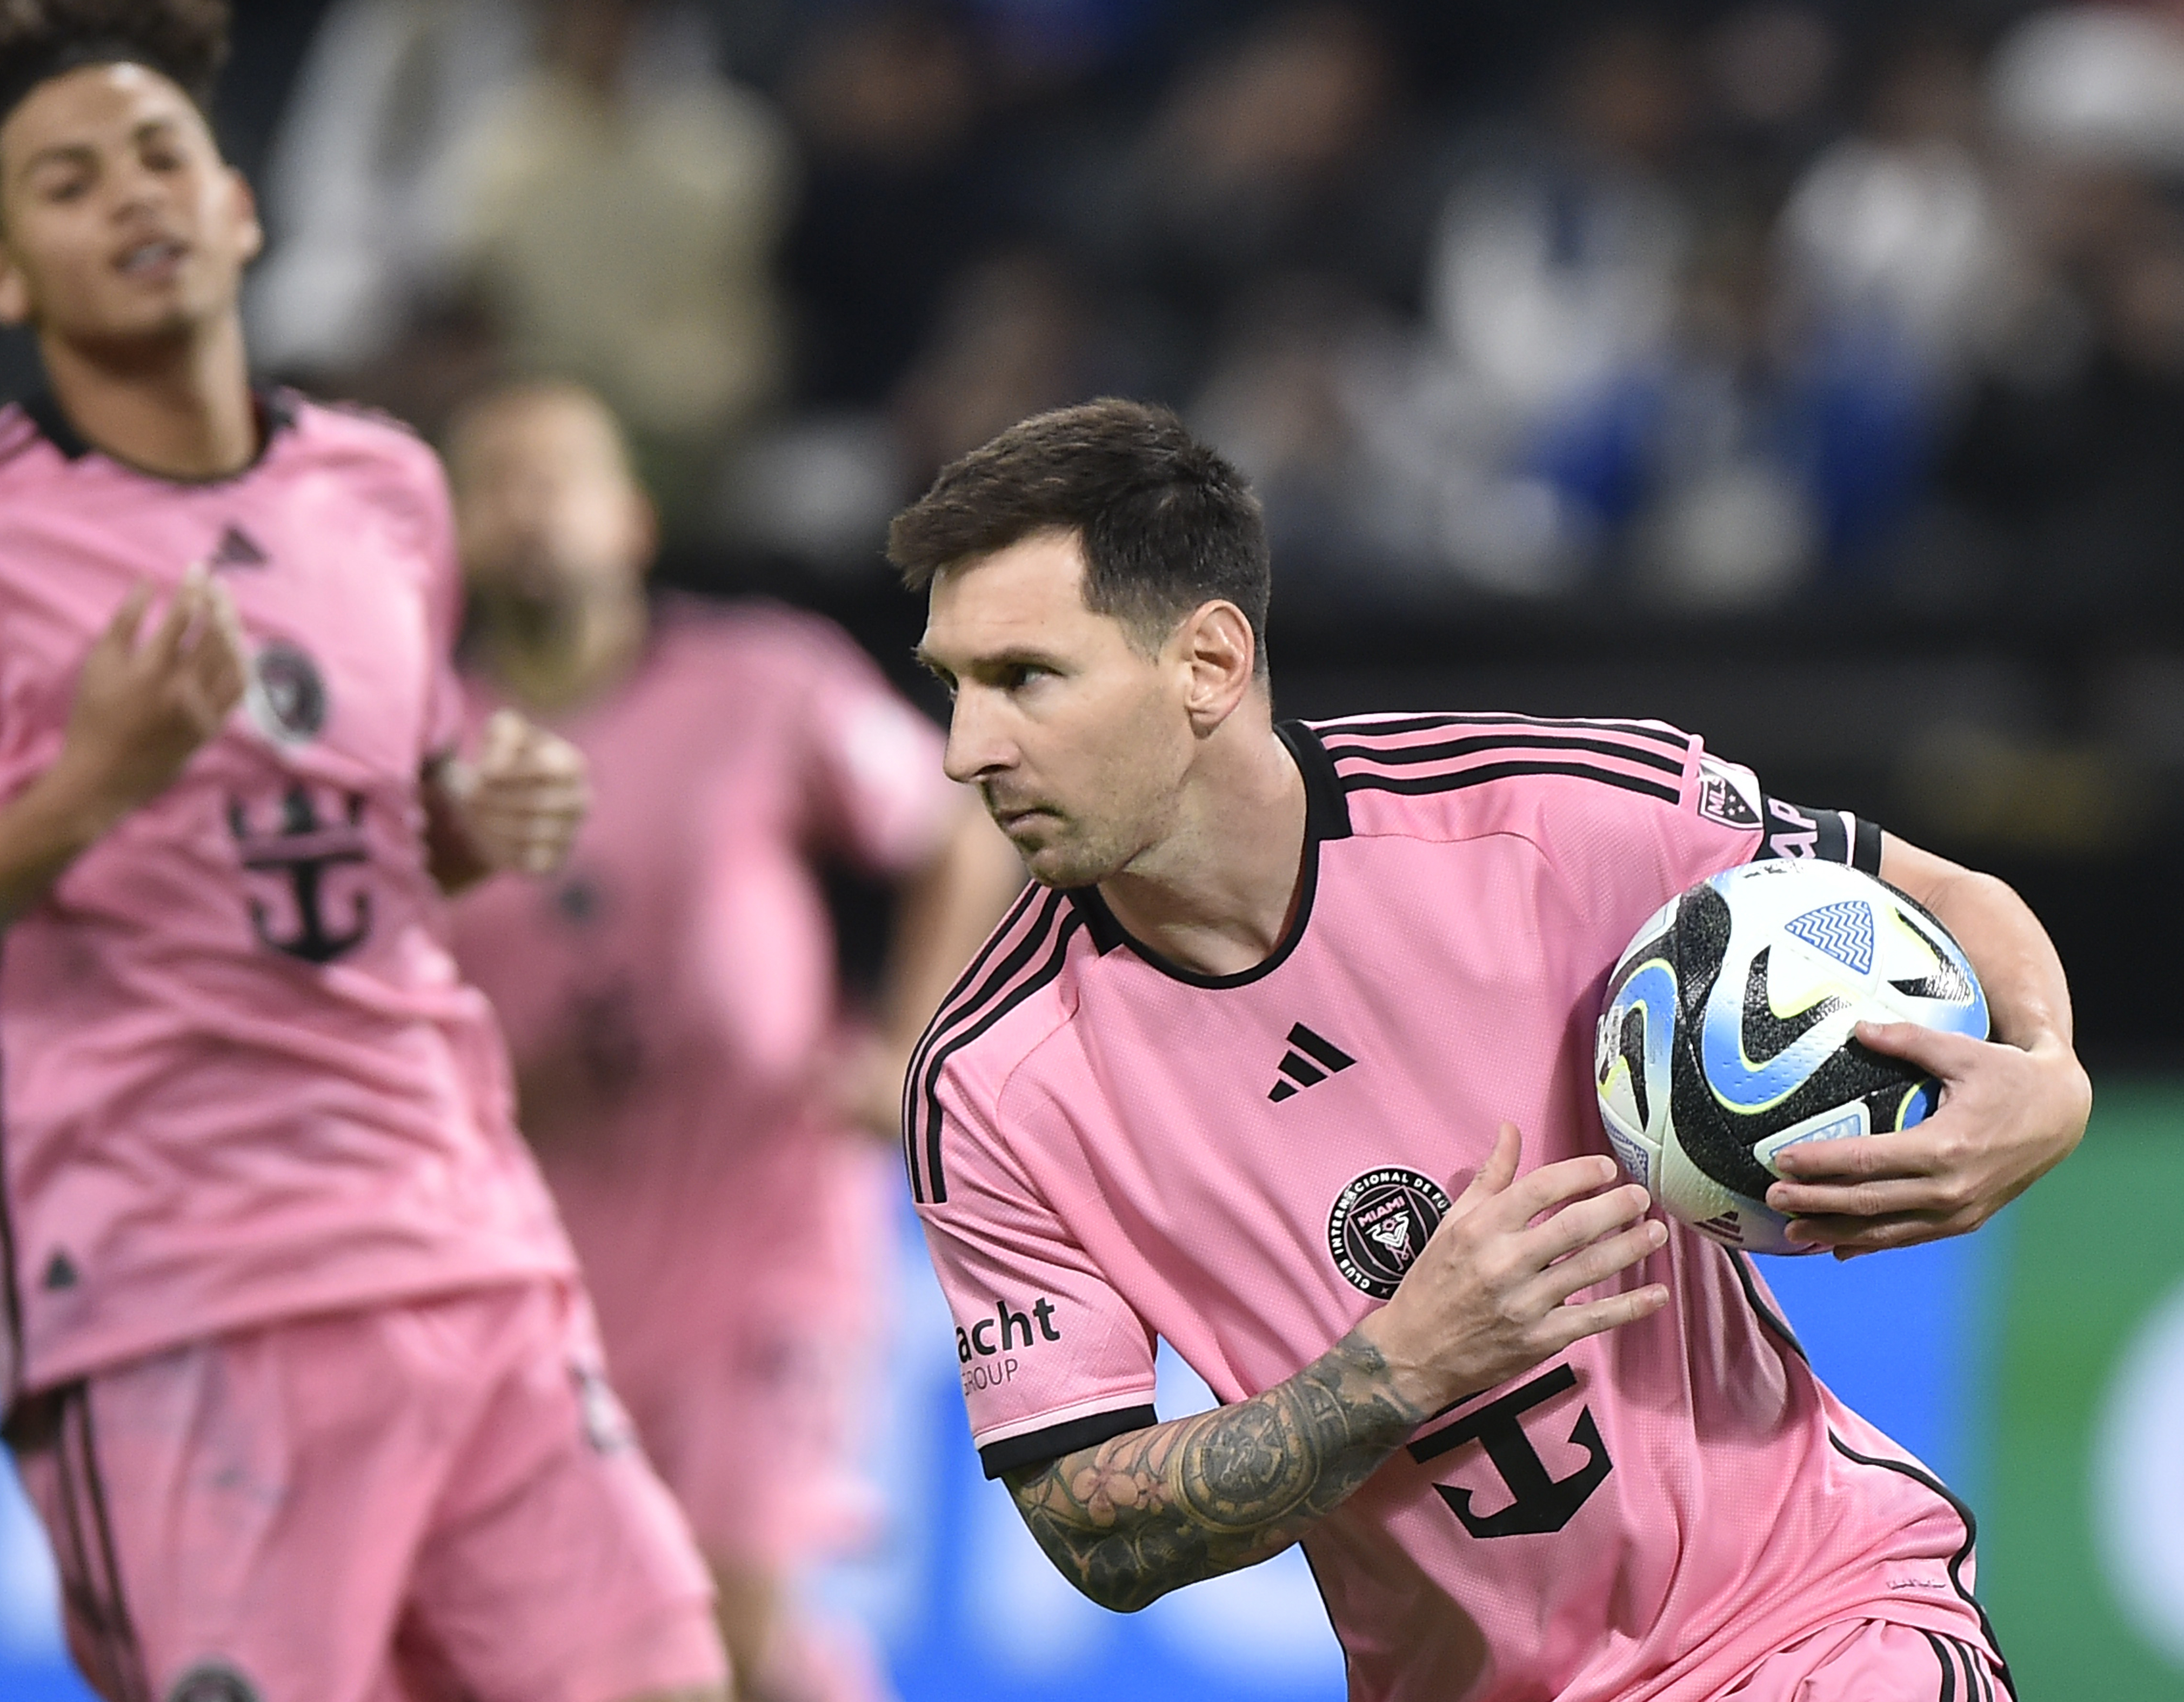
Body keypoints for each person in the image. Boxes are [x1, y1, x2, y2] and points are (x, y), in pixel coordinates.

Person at [0, 5, 731, 1700]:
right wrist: (78, 793)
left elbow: (332, 856)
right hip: (178, 1303)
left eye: (158, 156)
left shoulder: (389, 494)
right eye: (66, 181)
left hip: (462, 1233)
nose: (129, 196)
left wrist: (457, 824)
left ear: (241, 206)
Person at [891, 398, 2091, 1701]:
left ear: (1207, 664)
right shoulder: (991, 1085)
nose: (967, 751)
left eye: (1024, 678)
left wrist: (2048, 1079)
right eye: (950, 686)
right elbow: (1087, 1526)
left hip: (1813, 1620)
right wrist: (1398, 1369)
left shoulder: (1535, 813)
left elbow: (1943, 897)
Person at [438, 380, 1016, 1702]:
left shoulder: (764, 680)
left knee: (723, 1599)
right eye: (495, 484)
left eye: (557, 479)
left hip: (767, 1215)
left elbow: (960, 822)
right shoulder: (429, 761)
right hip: (551, 1251)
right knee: (642, 1649)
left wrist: (906, 1037)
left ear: (632, 518)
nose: (529, 513)